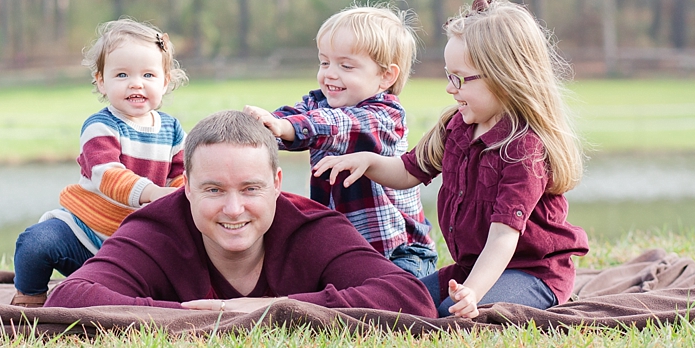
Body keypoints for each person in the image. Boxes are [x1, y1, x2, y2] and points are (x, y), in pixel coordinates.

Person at [315, 0, 589, 318]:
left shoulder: (523, 150)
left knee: (451, 314)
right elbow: (408, 171)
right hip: (471, 267)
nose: (449, 87)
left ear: (504, 77)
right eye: (449, 75)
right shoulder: (457, 125)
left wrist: (472, 291)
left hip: (533, 273)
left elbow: (503, 237)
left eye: (459, 77)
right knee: (396, 300)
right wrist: (369, 161)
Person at [44, 110, 438, 318]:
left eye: (251, 189)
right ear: (187, 186)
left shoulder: (312, 227)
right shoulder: (156, 226)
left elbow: (407, 296)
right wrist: (191, 315)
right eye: (213, 190)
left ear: (278, 183)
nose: (234, 210)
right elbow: (69, 298)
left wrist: (275, 307)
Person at [243, 4, 437, 279]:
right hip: (343, 250)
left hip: (399, 254)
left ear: (386, 76)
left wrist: (286, 127)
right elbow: (291, 120)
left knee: (395, 300)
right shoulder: (318, 103)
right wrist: (258, 128)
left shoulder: (385, 116)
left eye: (346, 66)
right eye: (324, 62)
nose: (330, 73)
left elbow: (335, 126)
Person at [11, 18, 188, 307]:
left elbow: (180, 178)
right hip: (85, 231)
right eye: (121, 75)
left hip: (137, 243)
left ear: (165, 82)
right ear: (101, 82)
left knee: (168, 273)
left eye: (148, 75)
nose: (136, 83)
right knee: (35, 243)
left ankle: (106, 291)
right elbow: (107, 174)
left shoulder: (172, 130)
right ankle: (29, 300)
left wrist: (182, 196)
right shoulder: (100, 126)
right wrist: (153, 193)